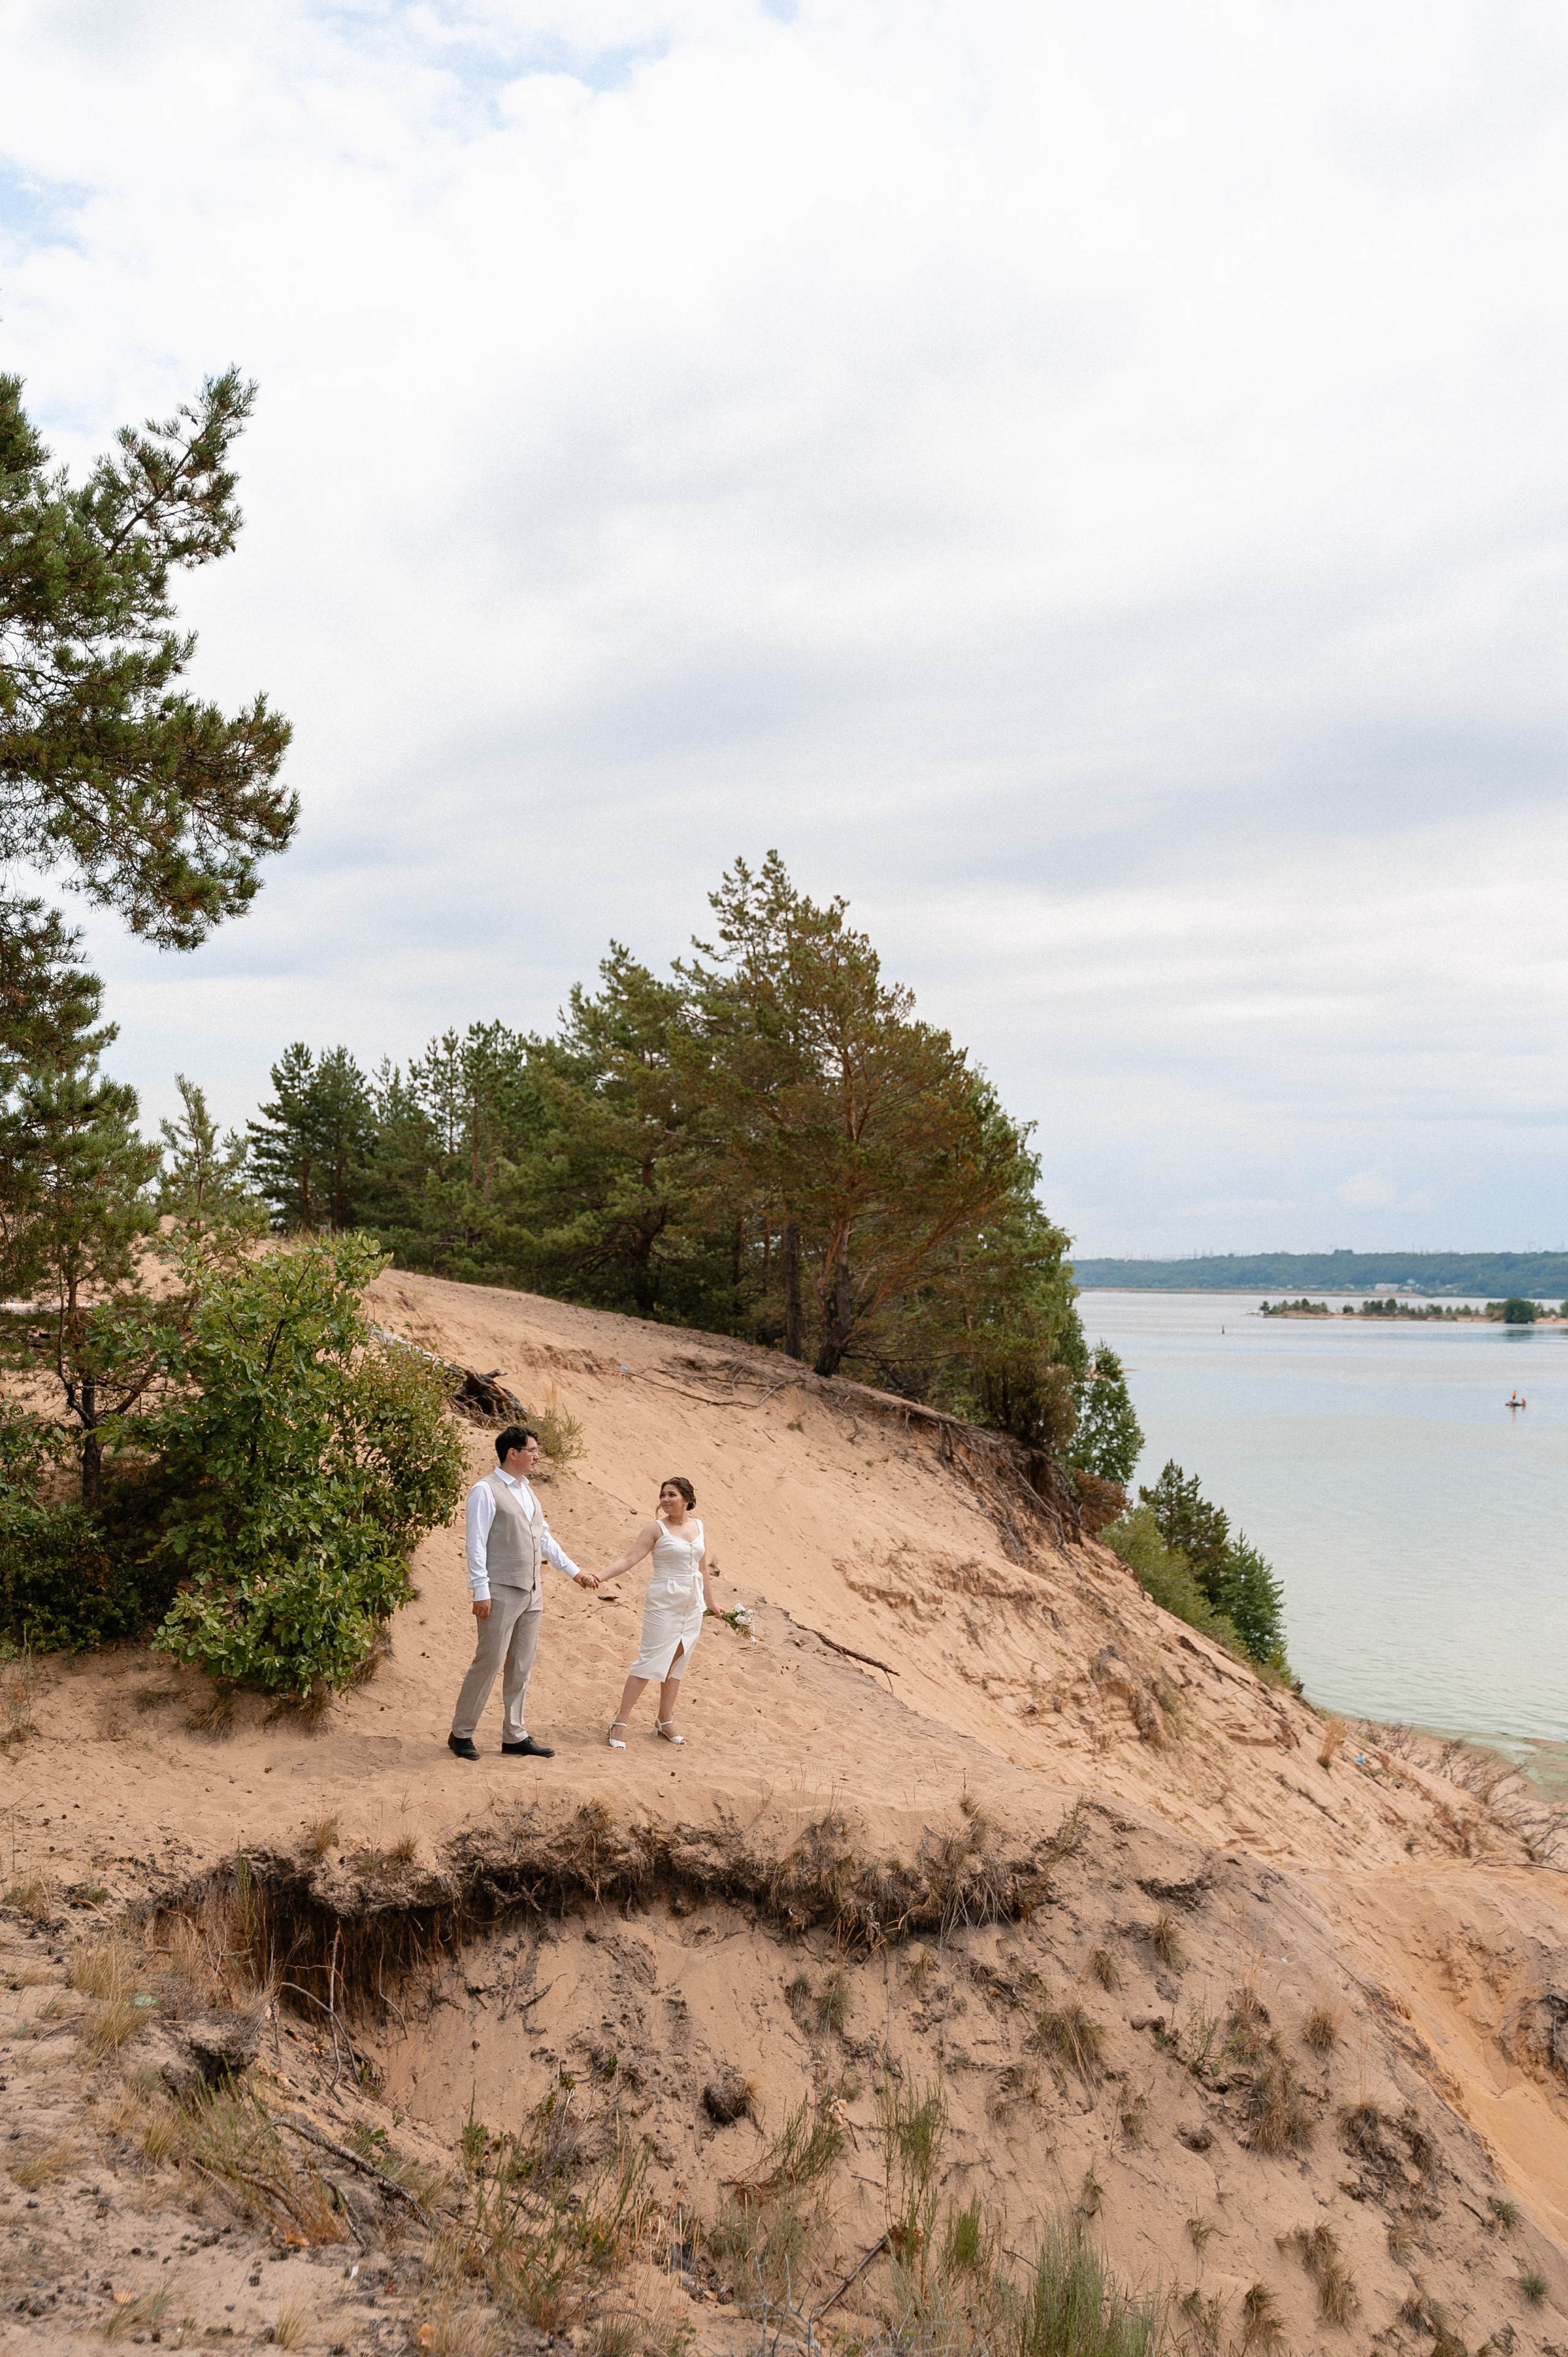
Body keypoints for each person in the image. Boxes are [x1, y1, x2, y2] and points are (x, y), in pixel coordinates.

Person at [447, 1424, 598, 1762]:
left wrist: (575, 1573)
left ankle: (514, 1735)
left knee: (521, 1665)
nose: (537, 1456)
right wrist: (480, 1590)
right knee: (488, 1662)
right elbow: (475, 1543)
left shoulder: (528, 1491)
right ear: (512, 1453)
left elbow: (543, 1538)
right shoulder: (484, 1491)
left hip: (532, 1591)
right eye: (531, 1450)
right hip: (499, 1590)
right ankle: (461, 1733)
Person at [596, 1477, 715, 1748]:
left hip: (692, 1605)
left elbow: (703, 1568)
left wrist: (711, 1603)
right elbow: (629, 1559)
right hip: (664, 1603)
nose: (665, 1500)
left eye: (671, 1495)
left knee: (677, 1662)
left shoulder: (699, 1527)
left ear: (686, 1499)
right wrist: (600, 1576)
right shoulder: (655, 1529)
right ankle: (620, 1721)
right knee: (650, 1661)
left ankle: (664, 1719)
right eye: (663, 1495)